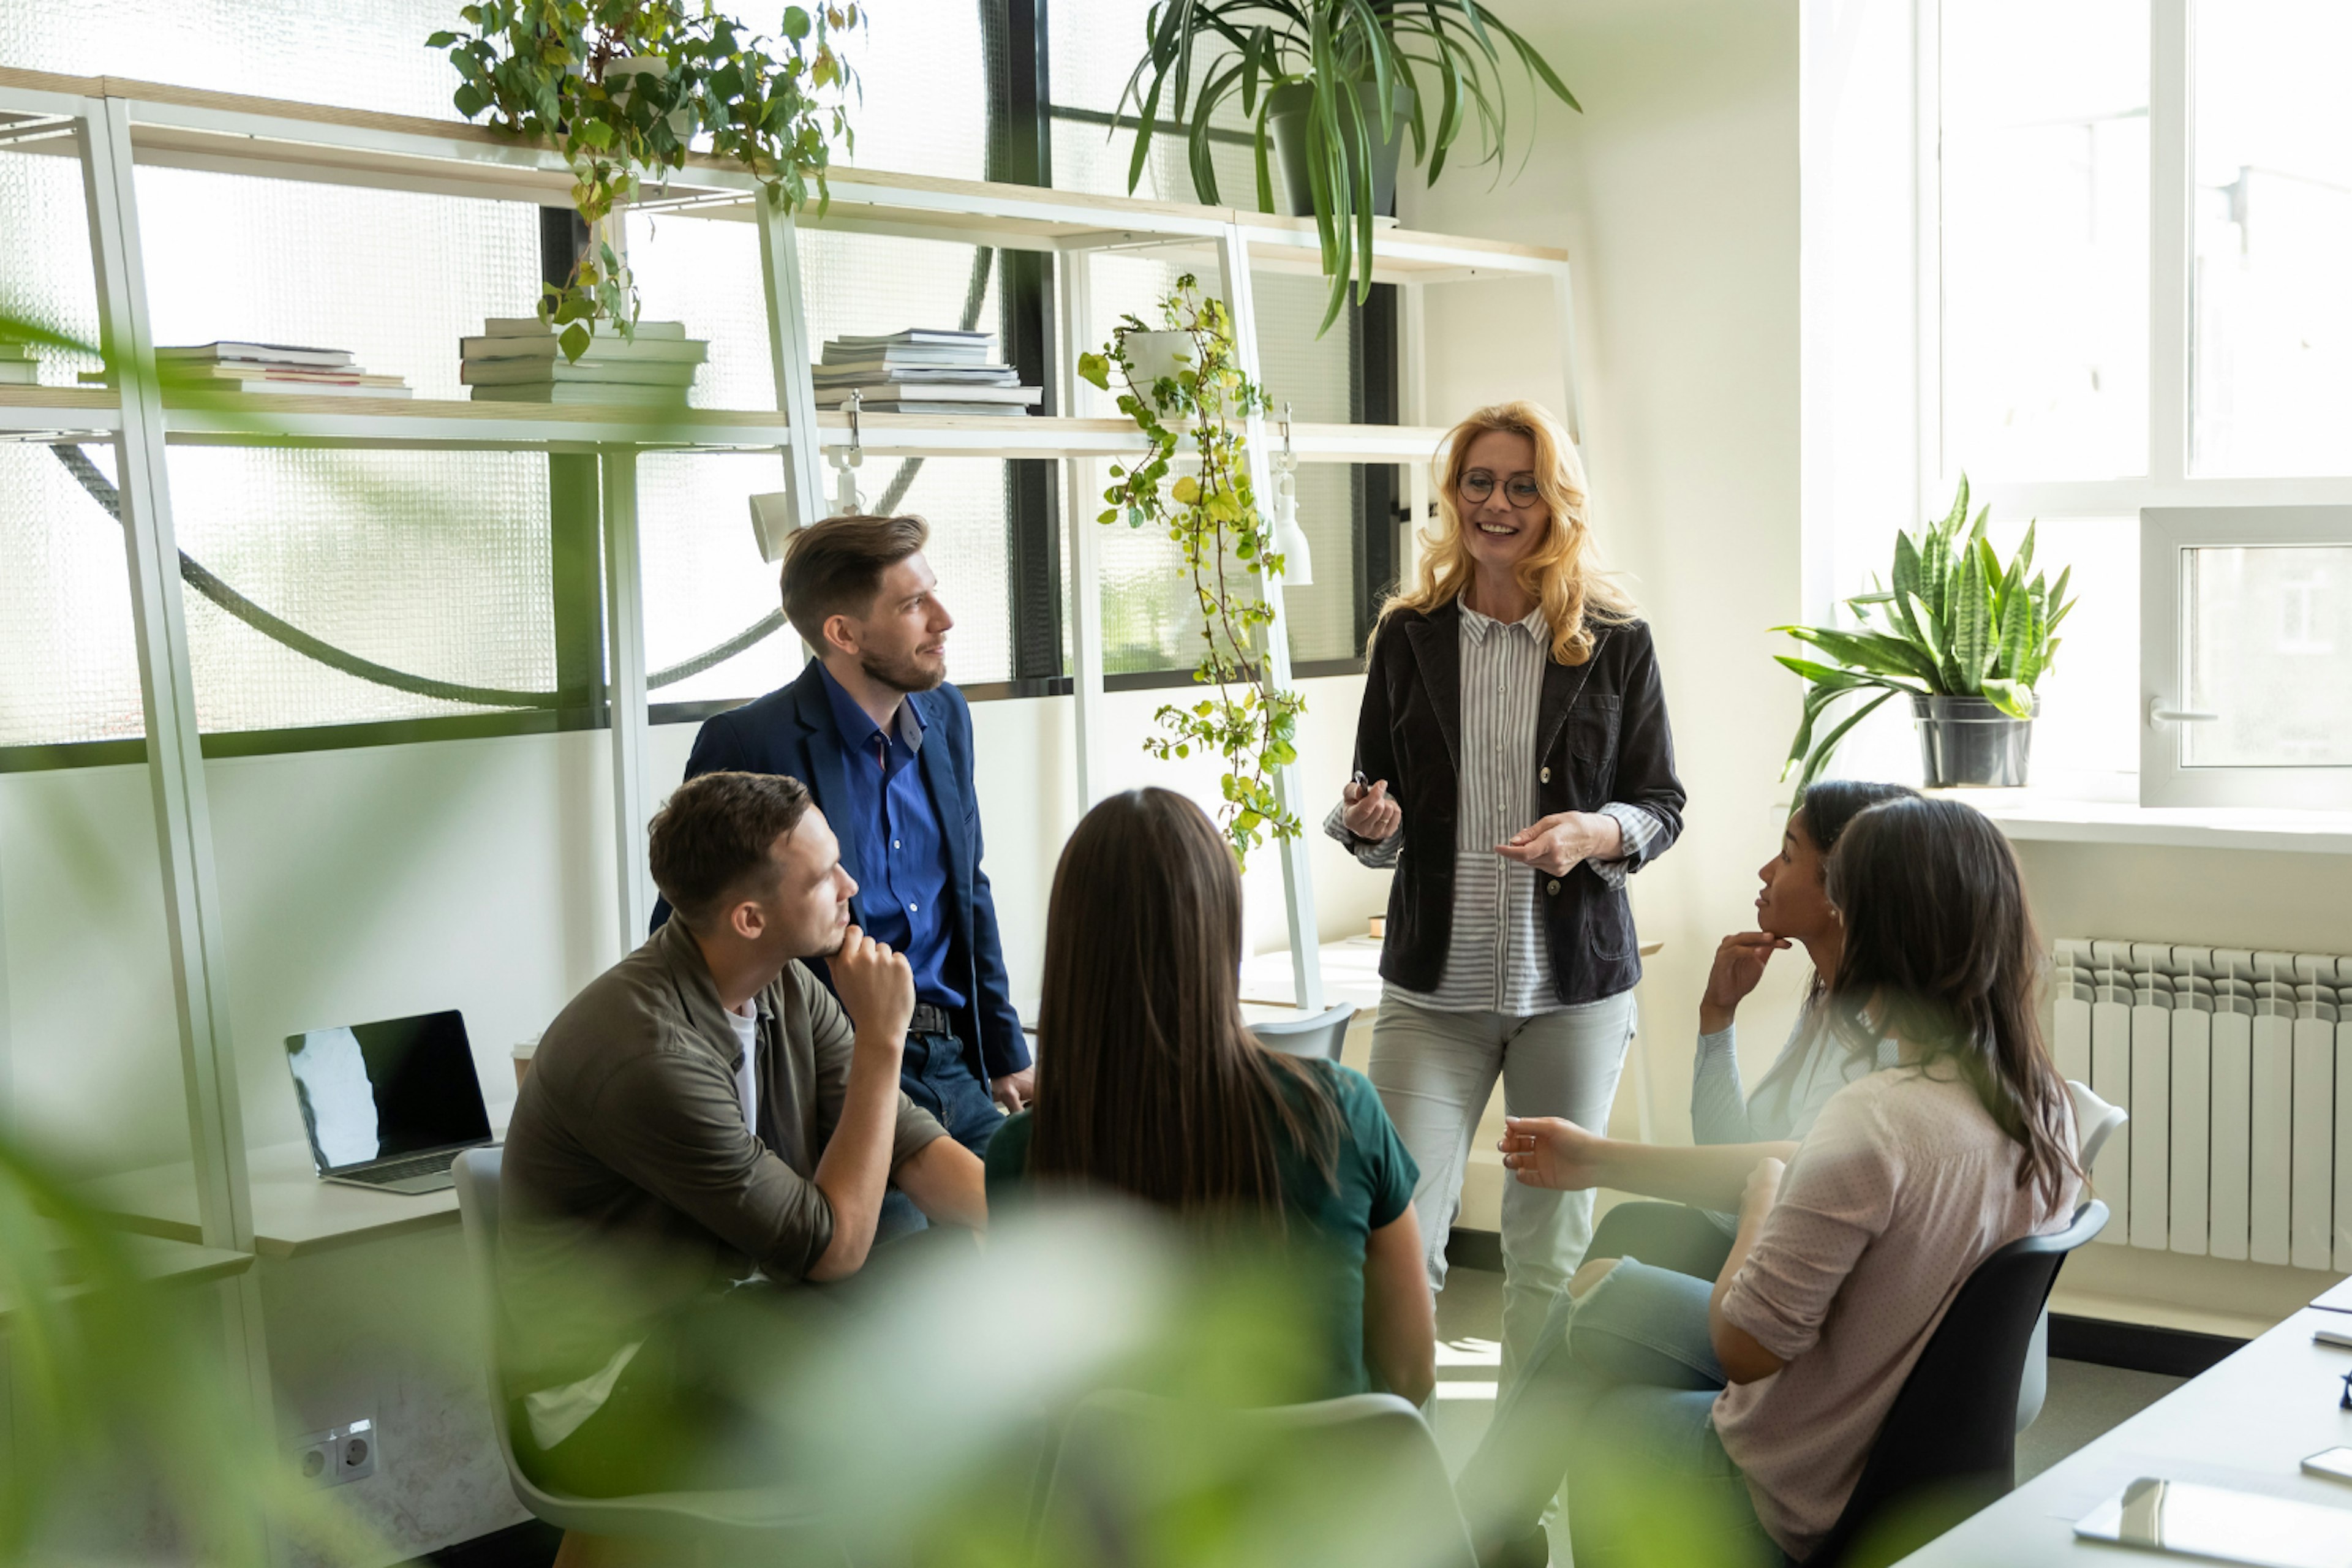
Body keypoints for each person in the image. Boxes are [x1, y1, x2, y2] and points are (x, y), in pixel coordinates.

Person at [1458, 796, 2083, 1567]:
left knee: (1608, 1415)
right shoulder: (2045, 1104)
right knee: (1602, 1289)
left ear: (1879, 931)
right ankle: (1479, 1534)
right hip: (1898, 1441)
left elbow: (1746, 1346)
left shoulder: (1880, 1118)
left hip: (1804, 1481)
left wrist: (1762, 1197)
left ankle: (1474, 1536)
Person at [500, 770, 987, 1498]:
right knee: (927, 1345)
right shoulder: (648, 1053)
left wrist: (1042, 1237)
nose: (852, 886)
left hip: (725, 1324)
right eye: (825, 878)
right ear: (751, 919)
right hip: (613, 1392)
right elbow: (833, 1248)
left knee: (967, 1274)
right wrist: (884, 1042)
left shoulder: (782, 985)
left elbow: (913, 1148)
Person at [1327, 399, 1686, 1384]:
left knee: (1545, 1256)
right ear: (1453, 499)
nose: (1497, 503)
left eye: (1522, 485)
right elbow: (1370, 803)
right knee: (1402, 1241)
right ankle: (1403, 1470)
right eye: (1479, 482)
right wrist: (1366, 825)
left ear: (1554, 502)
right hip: (1432, 996)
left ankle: (1513, 1501)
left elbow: (1662, 803)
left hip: (1571, 992)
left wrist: (1597, 830)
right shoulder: (1407, 637)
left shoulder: (1614, 639)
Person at [987, 788, 1436, 1404]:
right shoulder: (1340, 1110)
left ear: (1070, 948)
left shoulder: (1021, 1157)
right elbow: (1414, 1372)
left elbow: (1039, 1399)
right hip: (1331, 1494)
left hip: (1128, 1502)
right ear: (1222, 930)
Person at [663, 513, 1030, 1198]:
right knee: (904, 1275)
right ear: (843, 632)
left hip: (953, 1058)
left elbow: (967, 888)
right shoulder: (749, 743)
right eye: (914, 604)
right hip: (834, 1076)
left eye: (934, 593)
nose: (944, 619)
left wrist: (1007, 1052)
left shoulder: (948, 715)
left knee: (1045, 1238)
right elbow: (688, 936)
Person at [1581, 779, 1920, 1279]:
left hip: (1803, 1277)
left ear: (1839, 888)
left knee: (1602, 1281)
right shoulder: (1830, 1003)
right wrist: (1717, 1015)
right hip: (1768, 1237)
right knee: (1628, 1229)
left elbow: (1791, 1192)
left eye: (1786, 855)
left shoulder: (1879, 1038)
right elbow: (1730, 1167)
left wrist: (1593, 1160)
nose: (1765, 872)